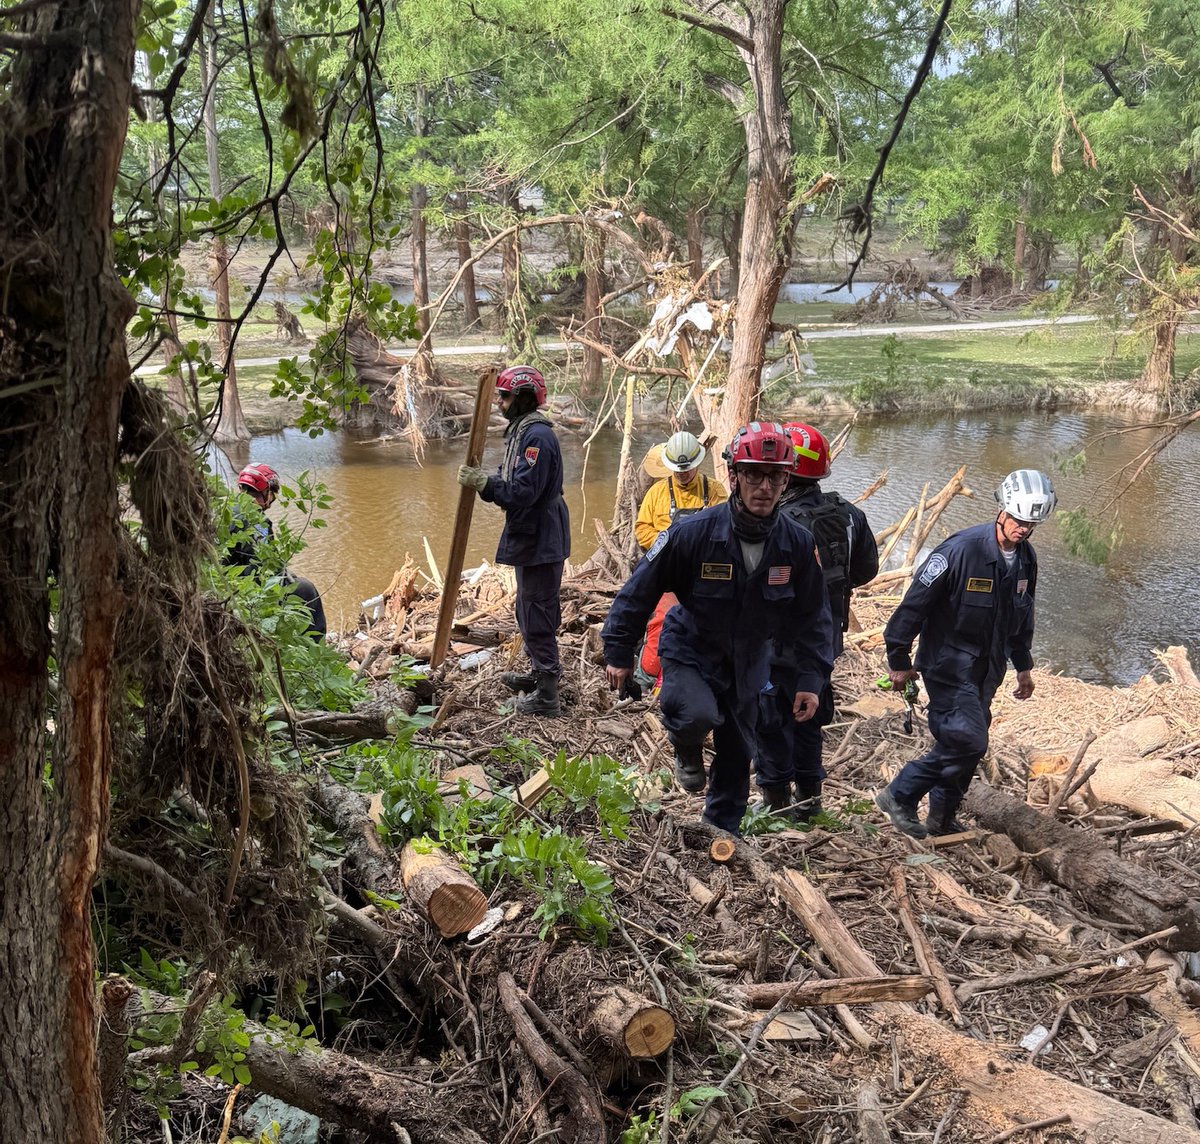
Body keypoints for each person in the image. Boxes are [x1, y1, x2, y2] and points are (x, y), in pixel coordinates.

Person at [602, 422, 834, 834]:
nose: (764, 486)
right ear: (734, 476)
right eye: (753, 475)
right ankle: (686, 747)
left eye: (775, 476)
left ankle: (721, 829)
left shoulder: (796, 544)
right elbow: (639, 591)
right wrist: (618, 652)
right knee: (695, 713)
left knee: (738, 749)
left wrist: (810, 679)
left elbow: (815, 617)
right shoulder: (691, 534)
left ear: (787, 480)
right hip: (690, 649)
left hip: (748, 662)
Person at [874, 469, 1057, 838]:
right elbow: (912, 608)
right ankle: (899, 793)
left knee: (967, 745)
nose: (1023, 528)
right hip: (947, 665)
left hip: (987, 669)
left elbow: (1024, 614)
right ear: (1002, 510)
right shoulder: (960, 550)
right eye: (1019, 519)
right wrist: (898, 660)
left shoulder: (1026, 559)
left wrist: (1023, 666)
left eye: (1031, 523)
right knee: (969, 740)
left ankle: (941, 819)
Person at [754, 423, 879, 820]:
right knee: (810, 717)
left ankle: (775, 807)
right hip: (824, 644)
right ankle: (809, 806)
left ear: (786, 472)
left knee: (771, 721)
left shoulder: (774, 522)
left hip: (776, 645)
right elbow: (867, 570)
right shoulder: (850, 515)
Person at [457, 365, 570, 717]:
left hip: (541, 534)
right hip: (533, 532)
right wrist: (488, 480)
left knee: (537, 609)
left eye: (505, 397)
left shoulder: (537, 438)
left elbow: (523, 491)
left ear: (522, 397)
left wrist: (485, 485)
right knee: (528, 606)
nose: (500, 404)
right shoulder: (523, 432)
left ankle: (548, 694)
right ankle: (539, 673)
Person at [633, 430, 728, 686]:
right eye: (677, 469)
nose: (682, 474)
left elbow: (726, 529)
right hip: (667, 570)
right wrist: (668, 546)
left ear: (697, 463)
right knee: (663, 617)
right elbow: (642, 529)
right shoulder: (657, 493)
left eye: (687, 469)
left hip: (704, 573)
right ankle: (646, 675)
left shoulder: (715, 491)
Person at [224, 462, 328, 639]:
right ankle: (315, 648)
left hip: (226, 581)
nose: (272, 500)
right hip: (246, 589)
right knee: (306, 590)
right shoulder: (257, 521)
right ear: (266, 492)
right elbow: (261, 565)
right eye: (272, 494)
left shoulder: (225, 511)